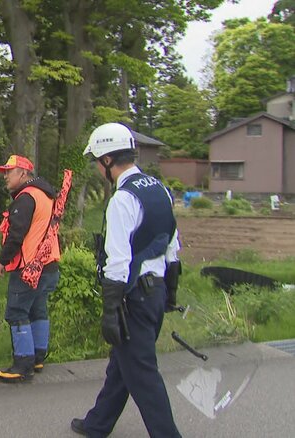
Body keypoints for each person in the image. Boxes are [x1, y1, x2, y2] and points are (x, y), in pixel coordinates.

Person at [71, 123, 182, 437]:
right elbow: (172, 243)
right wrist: (170, 293)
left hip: (134, 296)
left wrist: (110, 310)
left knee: (143, 374)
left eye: (96, 159)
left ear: (107, 160)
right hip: (157, 292)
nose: (95, 166)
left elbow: (117, 261)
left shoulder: (122, 199)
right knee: (123, 364)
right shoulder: (159, 189)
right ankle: (97, 423)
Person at [0, 154, 61, 382]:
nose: (5, 177)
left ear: (23, 174)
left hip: (30, 268)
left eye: (9, 172)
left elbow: (16, 235)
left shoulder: (25, 198)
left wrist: (2, 260)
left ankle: (22, 365)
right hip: (49, 266)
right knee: (38, 309)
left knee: (16, 312)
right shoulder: (46, 195)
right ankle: (38, 357)